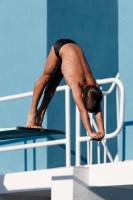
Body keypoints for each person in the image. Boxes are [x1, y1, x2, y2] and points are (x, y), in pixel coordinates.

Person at [26, 39, 105, 141]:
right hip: (60, 47)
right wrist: (90, 131)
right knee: (46, 77)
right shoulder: (76, 83)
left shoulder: (94, 87)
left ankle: (40, 113)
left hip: (74, 46)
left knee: (54, 82)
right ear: (82, 96)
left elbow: (98, 109)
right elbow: (82, 110)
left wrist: (101, 131)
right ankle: (32, 114)